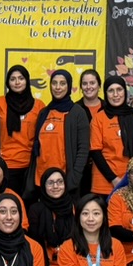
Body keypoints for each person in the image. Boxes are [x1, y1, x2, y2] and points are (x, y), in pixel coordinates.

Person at [27, 69, 90, 201]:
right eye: (54, 83)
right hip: (41, 180)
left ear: (69, 86)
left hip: (65, 181)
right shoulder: (44, 112)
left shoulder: (77, 113)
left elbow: (83, 149)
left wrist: (73, 179)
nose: (57, 87)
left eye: (62, 83)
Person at [0, 65, 45, 199]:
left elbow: (43, 137)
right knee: (7, 203)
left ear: (27, 80)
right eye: (13, 79)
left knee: (28, 204)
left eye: (21, 78)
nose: (17, 82)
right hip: (5, 164)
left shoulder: (39, 105)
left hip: (30, 166)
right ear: (8, 83)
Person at [27, 167, 75, 266]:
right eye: (51, 182)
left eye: (60, 182)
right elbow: (36, 244)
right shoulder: (36, 209)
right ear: (43, 186)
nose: (55, 186)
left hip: (71, 265)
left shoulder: (74, 206)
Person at [89, 75, 133, 194]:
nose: (115, 94)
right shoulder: (99, 117)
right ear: (105, 94)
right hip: (104, 182)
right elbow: (95, 152)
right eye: (111, 91)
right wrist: (113, 179)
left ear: (125, 91)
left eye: (119, 89)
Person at [76, 69, 103, 195]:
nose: (88, 87)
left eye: (92, 83)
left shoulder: (108, 108)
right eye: (85, 83)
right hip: (81, 168)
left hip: (104, 167)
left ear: (99, 85)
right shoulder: (74, 109)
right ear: (81, 87)